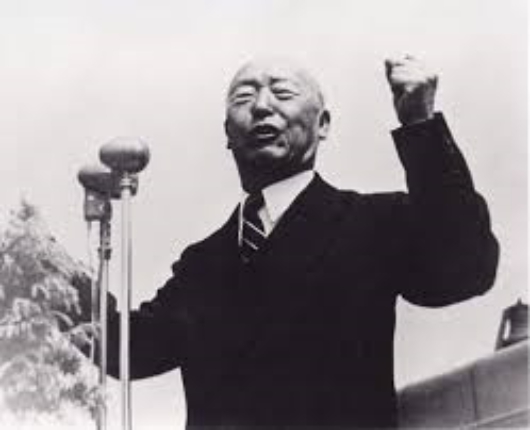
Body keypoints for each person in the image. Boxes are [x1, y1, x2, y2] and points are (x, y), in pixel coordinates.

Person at [97, 56, 499, 429]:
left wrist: (419, 124)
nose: (261, 106)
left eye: (283, 93)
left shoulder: (372, 223)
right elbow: (129, 349)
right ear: (227, 134)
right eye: (244, 97)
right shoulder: (203, 264)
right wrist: (59, 272)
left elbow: (466, 268)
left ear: (323, 124)